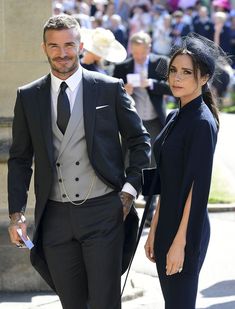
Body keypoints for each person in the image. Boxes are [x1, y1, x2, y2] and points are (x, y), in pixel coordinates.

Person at [7, 14, 151, 309]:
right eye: (54, 46)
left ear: (80, 45)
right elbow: (20, 159)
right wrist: (16, 214)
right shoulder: (28, 96)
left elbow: (140, 142)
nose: (62, 53)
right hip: (55, 218)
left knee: (104, 302)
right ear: (44, 48)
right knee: (71, 303)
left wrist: (129, 190)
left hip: (103, 213)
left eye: (69, 45)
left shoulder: (108, 88)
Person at [144, 33, 228, 308]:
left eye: (186, 72)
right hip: (167, 223)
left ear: (203, 78)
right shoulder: (173, 116)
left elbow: (197, 187)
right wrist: (155, 228)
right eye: (173, 71)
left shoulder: (202, 123)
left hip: (187, 230)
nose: (176, 78)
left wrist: (181, 242)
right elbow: (165, 179)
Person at [113, 31, 171, 226]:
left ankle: (149, 210)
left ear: (149, 48)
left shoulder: (160, 63)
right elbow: (113, 91)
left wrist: (152, 84)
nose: (138, 56)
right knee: (130, 162)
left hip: (154, 120)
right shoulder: (122, 67)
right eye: (135, 53)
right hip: (132, 123)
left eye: (142, 53)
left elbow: (173, 87)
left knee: (153, 164)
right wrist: (124, 90)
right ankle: (127, 205)